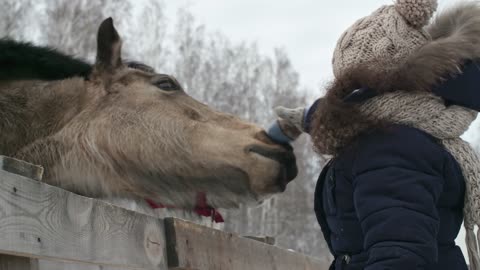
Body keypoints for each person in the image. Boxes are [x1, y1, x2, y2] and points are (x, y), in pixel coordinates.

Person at [267, 0, 480, 269]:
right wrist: (288, 126)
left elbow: (400, 257)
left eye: (354, 86)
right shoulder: (401, 131)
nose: (342, 100)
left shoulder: (392, 148)